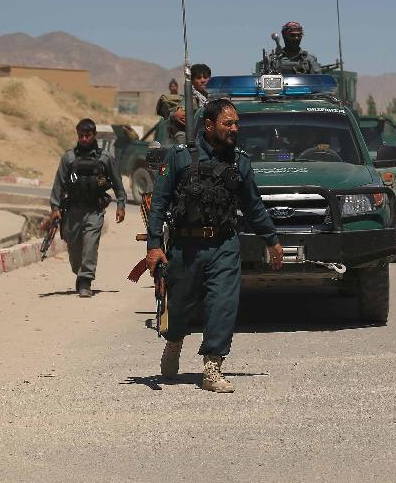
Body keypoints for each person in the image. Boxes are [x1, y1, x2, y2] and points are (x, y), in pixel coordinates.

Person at [145, 97, 283, 393]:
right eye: (227, 123)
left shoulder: (240, 161)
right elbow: (159, 203)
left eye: (236, 123)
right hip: (186, 246)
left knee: (222, 304)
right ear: (208, 125)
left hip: (224, 244)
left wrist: (271, 239)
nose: (234, 128)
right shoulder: (181, 157)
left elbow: (253, 205)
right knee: (180, 306)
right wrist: (154, 245)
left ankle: (212, 366)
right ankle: (174, 340)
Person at [49, 118, 127, 297]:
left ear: (94, 135)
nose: (84, 139)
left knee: (90, 246)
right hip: (73, 212)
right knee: (75, 252)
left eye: (87, 135)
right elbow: (59, 184)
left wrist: (121, 205)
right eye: (81, 135)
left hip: (94, 211)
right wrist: (55, 208)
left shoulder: (105, 158)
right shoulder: (68, 158)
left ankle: (85, 281)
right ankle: (80, 273)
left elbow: (117, 183)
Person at [171, 63, 211, 144]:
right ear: (192, 81)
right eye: (198, 78)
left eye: (205, 77)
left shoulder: (216, 96)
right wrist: (176, 113)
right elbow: (180, 109)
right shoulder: (191, 98)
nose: (203, 80)